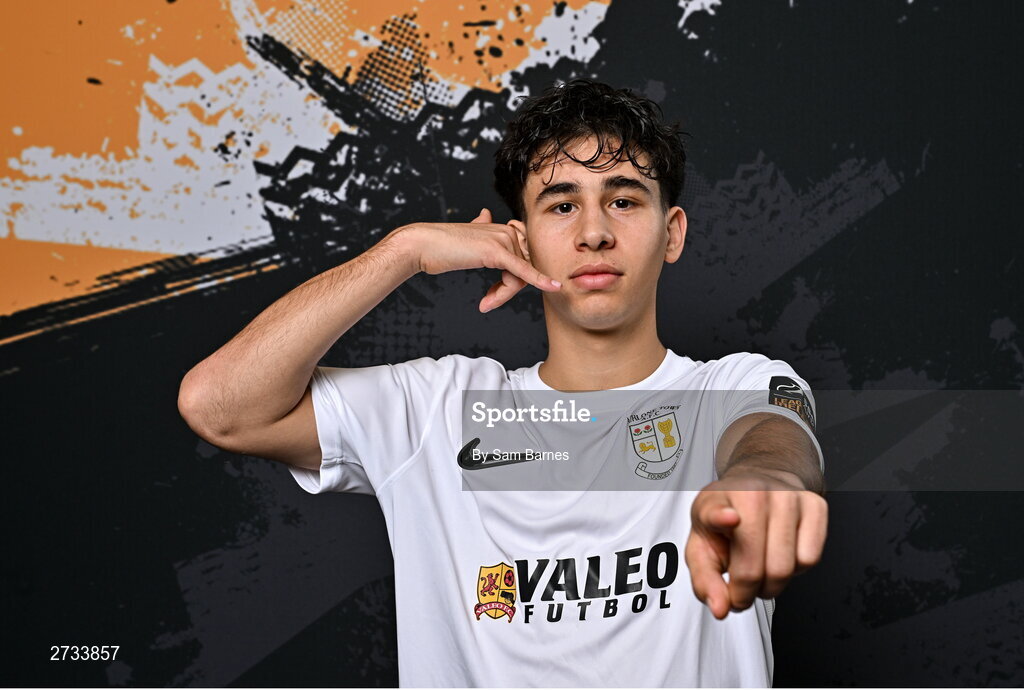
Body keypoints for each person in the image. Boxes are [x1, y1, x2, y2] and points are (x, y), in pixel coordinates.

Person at [178, 78, 827, 687]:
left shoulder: (735, 384)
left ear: (672, 232)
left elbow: (773, 440)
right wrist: (403, 251)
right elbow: (222, 405)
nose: (595, 232)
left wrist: (765, 481)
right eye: (561, 204)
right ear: (520, 239)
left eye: (624, 200)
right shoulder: (434, 410)